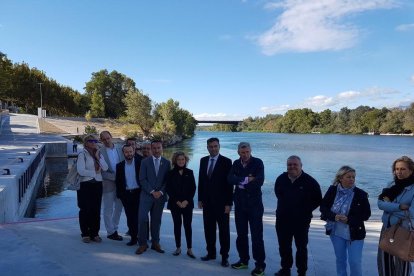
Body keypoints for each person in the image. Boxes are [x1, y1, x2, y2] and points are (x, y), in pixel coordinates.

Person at [274, 155, 322, 276]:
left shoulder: (310, 181)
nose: (292, 167)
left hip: (301, 221)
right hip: (282, 220)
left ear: (301, 166)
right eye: (289, 164)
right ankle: (285, 269)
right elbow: (278, 193)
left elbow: (318, 199)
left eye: (295, 164)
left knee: (301, 248)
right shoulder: (281, 179)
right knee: (284, 246)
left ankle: (301, 272)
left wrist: (305, 210)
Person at [320, 166, 371, 276]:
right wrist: (334, 216)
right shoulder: (332, 190)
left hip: (355, 232)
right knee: (340, 260)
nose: (352, 179)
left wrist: (349, 219)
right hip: (336, 231)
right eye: (348, 177)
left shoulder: (361, 194)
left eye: (353, 177)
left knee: (355, 262)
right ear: (340, 178)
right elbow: (323, 207)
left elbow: (366, 214)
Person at [228, 142, 266, 276]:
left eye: (247, 152)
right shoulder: (236, 163)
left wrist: (241, 183)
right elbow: (230, 179)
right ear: (238, 152)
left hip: (254, 205)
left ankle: (260, 265)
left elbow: (259, 181)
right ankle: (243, 260)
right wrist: (246, 179)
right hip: (239, 204)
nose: (245, 155)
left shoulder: (258, 162)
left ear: (250, 151)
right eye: (242, 152)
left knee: (257, 237)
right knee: (241, 235)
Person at [198, 137, 233, 267]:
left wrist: (229, 203)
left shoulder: (227, 162)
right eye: (211, 146)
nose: (213, 148)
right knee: (209, 230)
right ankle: (211, 253)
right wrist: (200, 199)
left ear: (219, 146)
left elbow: (230, 185)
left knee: (224, 231)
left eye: (215, 146)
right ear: (207, 147)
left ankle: (225, 257)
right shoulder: (203, 160)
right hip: (207, 203)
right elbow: (201, 181)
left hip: (222, 204)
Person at [377, 156, 414, 276]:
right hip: (387, 227)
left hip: (404, 229)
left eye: (402, 169)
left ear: (411, 170)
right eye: (396, 169)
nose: (399, 172)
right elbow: (380, 204)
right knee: (383, 262)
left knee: (402, 263)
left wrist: (389, 207)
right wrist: (398, 207)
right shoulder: (391, 184)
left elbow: (412, 212)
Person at [136, 140, 171, 255]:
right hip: (146, 195)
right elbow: (142, 179)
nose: (156, 150)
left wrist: (160, 192)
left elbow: (168, 181)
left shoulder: (166, 162)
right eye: (154, 148)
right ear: (151, 149)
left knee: (156, 220)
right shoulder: (145, 162)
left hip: (160, 197)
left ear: (162, 148)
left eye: (158, 148)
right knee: (142, 219)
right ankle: (142, 243)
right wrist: (152, 191)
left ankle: (155, 243)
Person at [76, 135, 108, 243]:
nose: (93, 142)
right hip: (85, 185)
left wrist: (98, 157)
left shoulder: (98, 154)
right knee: (85, 209)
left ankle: (95, 233)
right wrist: (94, 173)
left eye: (95, 141)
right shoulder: (82, 154)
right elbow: (81, 170)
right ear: (86, 143)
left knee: (96, 209)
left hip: (97, 184)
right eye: (91, 141)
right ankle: (85, 233)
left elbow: (105, 168)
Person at [166, 151, 196, 258]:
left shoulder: (190, 172)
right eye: (179, 159)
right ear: (175, 161)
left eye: (183, 159)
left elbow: (193, 188)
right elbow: (169, 189)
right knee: (177, 225)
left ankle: (189, 249)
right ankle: (178, 247)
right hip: (175, 204)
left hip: (187, 204)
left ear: (186, 160)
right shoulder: (170, 173)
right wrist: (178, 201)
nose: (181, 161)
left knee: (188, 226)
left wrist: (186, 201)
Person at [99, 130, 124, 241]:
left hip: (121, 185)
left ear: (111, 137)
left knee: (118, 208)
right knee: (108, 209)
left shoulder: (120, 149)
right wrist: (115, 177)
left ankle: (114, 228)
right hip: (108, 184)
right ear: (101, 140)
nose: (106, 141)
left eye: (108, 138)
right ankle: (110, 232)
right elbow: (101, 172)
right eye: (104, 139)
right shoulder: (99, 152)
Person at [115, 144, 142, 246]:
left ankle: (143, 238)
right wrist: (121, 195)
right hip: (126, 195)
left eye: (130, 151)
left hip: (138, 193)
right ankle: (134, 238)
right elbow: (118, 182)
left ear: (134, 151)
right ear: (123, 153)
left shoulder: (140, 163)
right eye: (126, 152)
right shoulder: (119, 166)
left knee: (140, 217)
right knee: (130, 218)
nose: (129, 154)